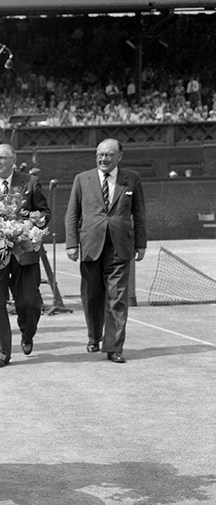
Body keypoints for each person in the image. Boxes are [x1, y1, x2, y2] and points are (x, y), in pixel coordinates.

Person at [65, 138, 147, 363]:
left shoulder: (132, 179)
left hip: (120, 247)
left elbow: (139, 213)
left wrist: (141, 244)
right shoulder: (82, 179)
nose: (104, 158)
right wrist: (72, 243)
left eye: (109, 155)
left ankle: (114, 347)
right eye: (100, 154)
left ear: (120, 156)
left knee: (117, 297)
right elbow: (72, 214)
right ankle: (94, 336)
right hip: (91, 245)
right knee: (92, 296)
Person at [0, 143, 51, 368]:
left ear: (13, 160)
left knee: (29, 302)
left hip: (24, 254)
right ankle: (2, 352)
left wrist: (30, 223)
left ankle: (28, 333)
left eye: (2, 158)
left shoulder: (29, 182)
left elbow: (45, 213)